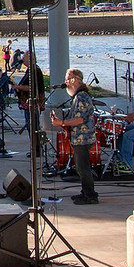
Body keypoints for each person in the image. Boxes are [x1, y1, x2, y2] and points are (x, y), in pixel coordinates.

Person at [50, 68, 98, 205]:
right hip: (79, 137)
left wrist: (62, 122)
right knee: (80, 167)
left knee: (83, 168)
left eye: (67, 79)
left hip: (83, 137)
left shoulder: (81, 96)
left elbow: (80, 119)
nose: (65, 82)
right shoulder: (78, 96)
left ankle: (91, 195)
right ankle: (85, 192)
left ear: (75, 79)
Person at [12, 52, 45, 134]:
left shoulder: (35, 70)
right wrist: (18, 90)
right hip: (28, 102)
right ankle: (34, 144)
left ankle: (37, 145)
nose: (22, 59)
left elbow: (31, 87)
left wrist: (17, 87)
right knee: (30, 126)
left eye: (24, 58)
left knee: (33, 126)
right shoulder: (29, 70)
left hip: (34, 103)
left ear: (31, 59)